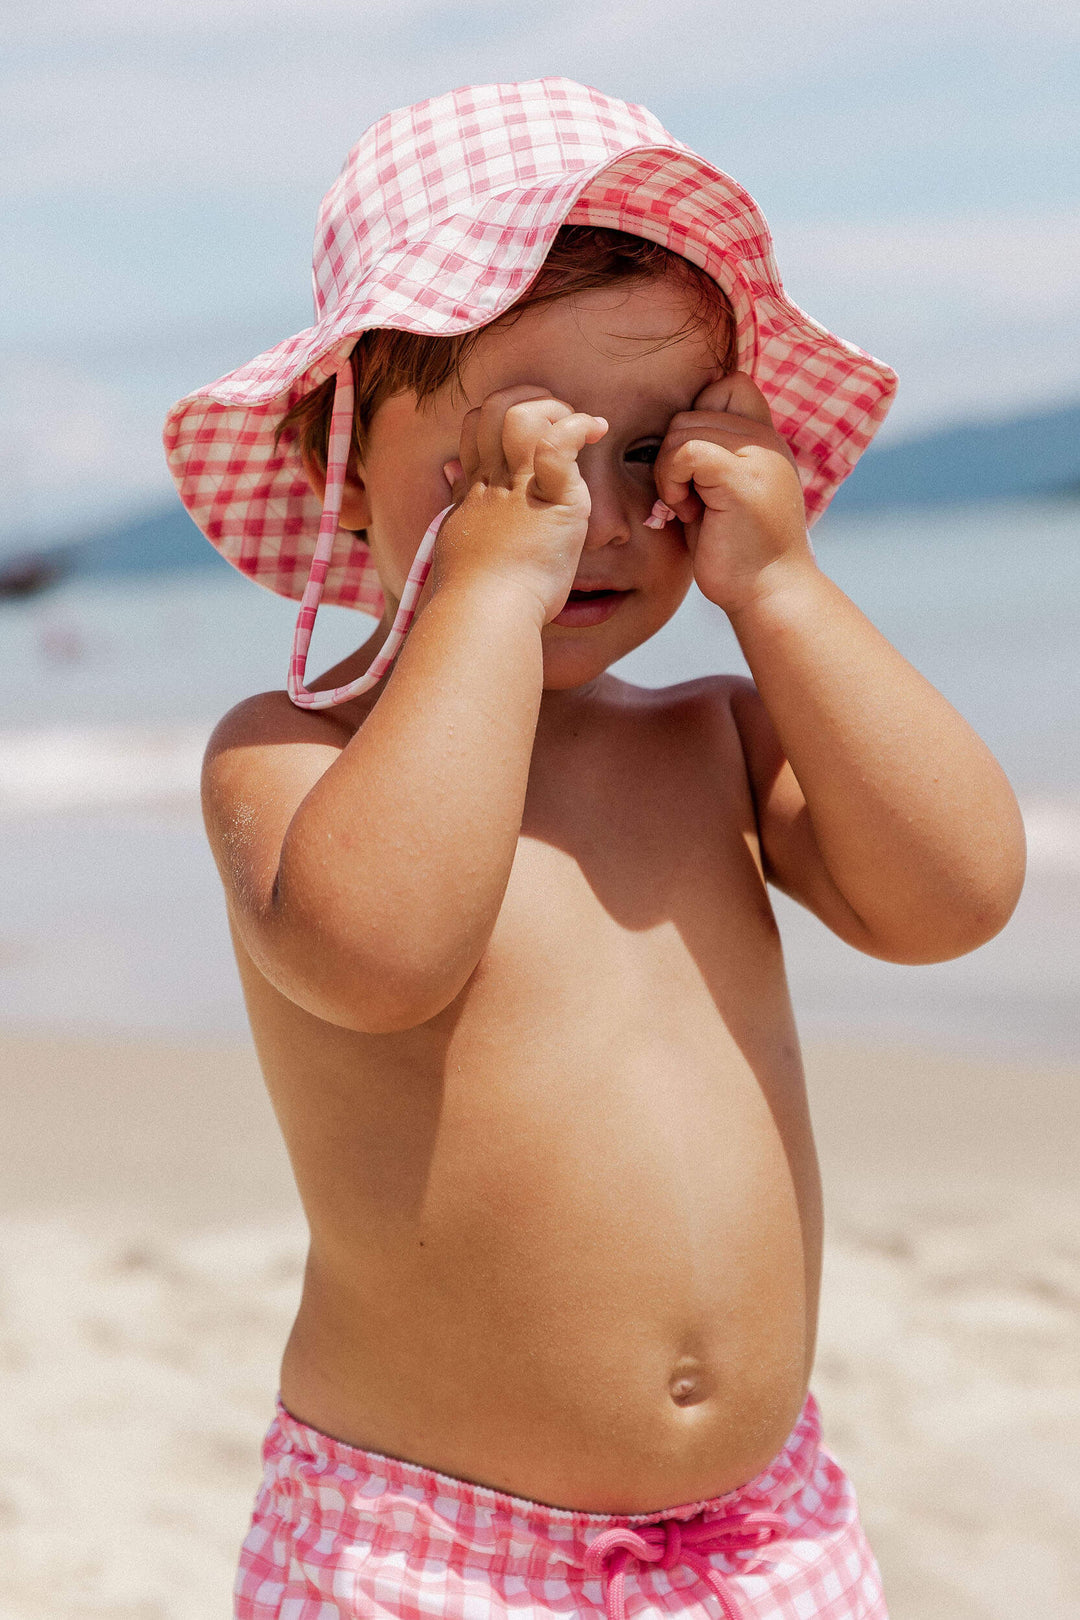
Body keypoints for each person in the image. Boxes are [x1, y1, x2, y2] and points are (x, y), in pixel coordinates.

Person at [164, 78, 1026, 1620]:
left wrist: (786, 593)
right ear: (336, 451)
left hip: (764, 1537)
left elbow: (956, 896)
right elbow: (380, 952)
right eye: (521, 459)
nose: (595, 519)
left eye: (651, 455)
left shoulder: (710, 741)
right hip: (426, 1550)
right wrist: (489, 590)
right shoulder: (294, 754)